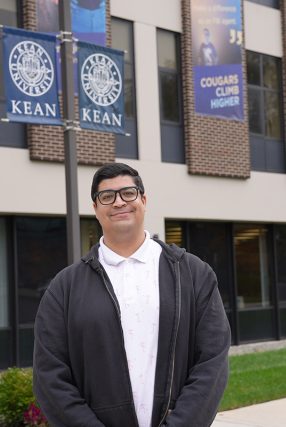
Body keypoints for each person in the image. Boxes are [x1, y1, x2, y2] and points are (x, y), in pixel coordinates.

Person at [33, 163, 231, 427]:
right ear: (95, 208)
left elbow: (212, 362)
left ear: (143, 200)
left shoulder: (194, 274)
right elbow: (49, 376)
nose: (119, 202)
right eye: (107, 197)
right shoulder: (65, 287)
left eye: (128, 193)